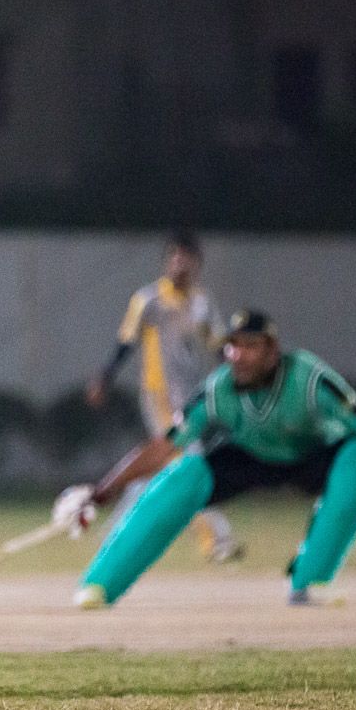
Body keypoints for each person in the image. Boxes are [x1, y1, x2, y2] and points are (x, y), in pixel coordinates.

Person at [55, 310, 356, 607]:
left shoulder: (307, 376)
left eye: (251, 346)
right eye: (233, 345)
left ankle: (310, 581)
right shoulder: (219, 388)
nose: (239, 355)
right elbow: (163, 445)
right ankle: (100, 584)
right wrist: (99, 493)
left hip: (311, 455)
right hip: (248, 457)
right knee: (184, 473)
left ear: (273, 351)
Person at [85, 231, 243, 562]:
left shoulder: (201, 302)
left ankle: (113, 536)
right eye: (174, 257)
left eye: (186, 258)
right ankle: (215, 539)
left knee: (158, 469)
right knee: (190, 461)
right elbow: (126, 342)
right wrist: (105, 378)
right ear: (166, 262)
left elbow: (218, 346)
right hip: (159, 394)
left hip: (189, 395)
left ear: (197, 264)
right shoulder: (148, 300)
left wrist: (238, 379)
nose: (179, 263)